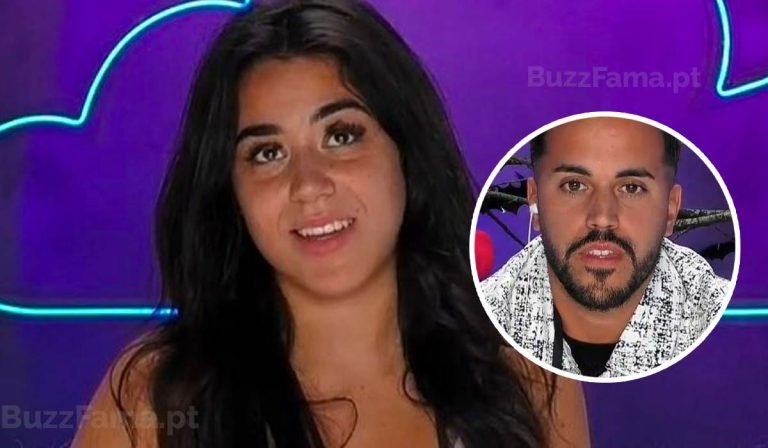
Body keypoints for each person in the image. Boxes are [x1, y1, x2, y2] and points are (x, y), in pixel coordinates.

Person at [72, 0, 588, 446]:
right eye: (267, 152)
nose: (308, 184)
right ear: (230, 190)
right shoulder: (158, 394)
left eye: (341, 135)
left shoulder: (525, 369)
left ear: (406, 152)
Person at [481, 116, 731, 379]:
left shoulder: (722, 320)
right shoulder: (482, 320)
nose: (602, 218)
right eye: (574, 185)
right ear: (535, 202)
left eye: (631, 188)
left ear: (670, 209)